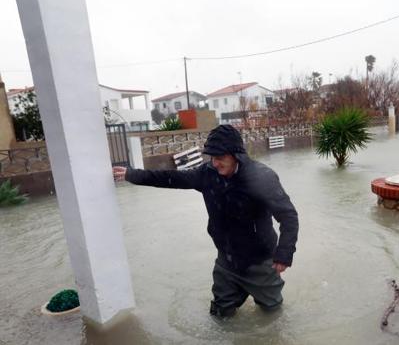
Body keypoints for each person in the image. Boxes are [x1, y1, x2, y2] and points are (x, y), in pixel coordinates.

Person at [113, 125, 299, 317]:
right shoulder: (207, 174)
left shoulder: (262, 178)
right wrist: (132, 174)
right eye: (212, 157)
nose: (215, 163)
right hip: (226, 260)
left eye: (220, 157)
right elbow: (172, 178)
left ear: (236, 155)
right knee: (220, 314)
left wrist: (284, 254)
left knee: (272, 315)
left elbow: (288, 216)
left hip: (260, 261)